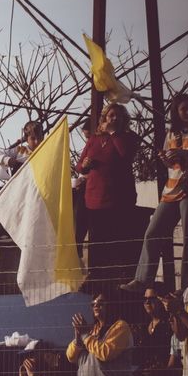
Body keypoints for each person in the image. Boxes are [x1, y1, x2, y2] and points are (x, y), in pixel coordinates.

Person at [124, 94, 188, 292]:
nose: (187, 112)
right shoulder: (172, 134)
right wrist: (165, 158)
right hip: (171, 189)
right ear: (176, 112)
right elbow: (171, 163)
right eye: (183, 109)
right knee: (152, 232)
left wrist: (186, 154)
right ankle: (142, 279)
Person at [77, 103, 139, 285]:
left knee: (117, 243)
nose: (114, 118)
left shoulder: (128, 138)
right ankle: (95, 280)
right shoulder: (94, 139)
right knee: (96, 243)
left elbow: (125, 155)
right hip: (94, 199)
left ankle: (118, 281)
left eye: (118, 116)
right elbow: (79, 165)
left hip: (118, 200)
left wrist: (113, 134)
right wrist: (85, 165)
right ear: (104, 118)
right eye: (110, 115)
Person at [134, 284, 176, 376]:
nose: (147, 302)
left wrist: (162, 369)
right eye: (145, 299)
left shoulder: (170, 324)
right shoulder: (143, 325)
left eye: (151, 299)